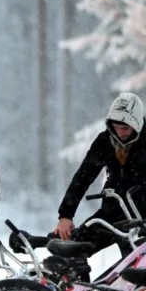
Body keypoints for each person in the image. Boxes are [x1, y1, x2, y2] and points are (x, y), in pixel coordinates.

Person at [53, 92, 146, 256]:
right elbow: (83, 177)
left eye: (125, 128)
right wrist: (65, 215)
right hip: (112, 213)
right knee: (74, 249)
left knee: (134, 265)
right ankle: (74, 281)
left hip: (142, 218)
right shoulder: (105, 141)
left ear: (137, 124)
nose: (120, 133)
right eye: (115, 128)